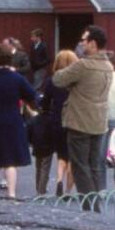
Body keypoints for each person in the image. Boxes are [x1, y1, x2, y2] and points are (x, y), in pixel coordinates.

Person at [53, 27, 113, 198]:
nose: (81, 43)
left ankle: (89, 206)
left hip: (80, 122)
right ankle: (96, 203)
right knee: (94, 164)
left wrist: (71, 81)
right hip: (99, 123)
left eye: (84, 40)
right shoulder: (108, 65)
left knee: (80, 166)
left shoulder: (84, 65)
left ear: (93, 43)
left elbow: (58, 79)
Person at [0, 43, 37, 198]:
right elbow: (32, 95)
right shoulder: (17, 78)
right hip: (13, 120)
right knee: (10, 160)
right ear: (11, 60)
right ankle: (11, 194)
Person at [39, 49, 76, 196]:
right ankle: (67, 191)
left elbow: (45, 103)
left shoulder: (52, 80)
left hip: (57, 121)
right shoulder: (76, 81)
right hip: (74, 120)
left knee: (61, 155)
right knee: (72, 157)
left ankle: (59, 179)